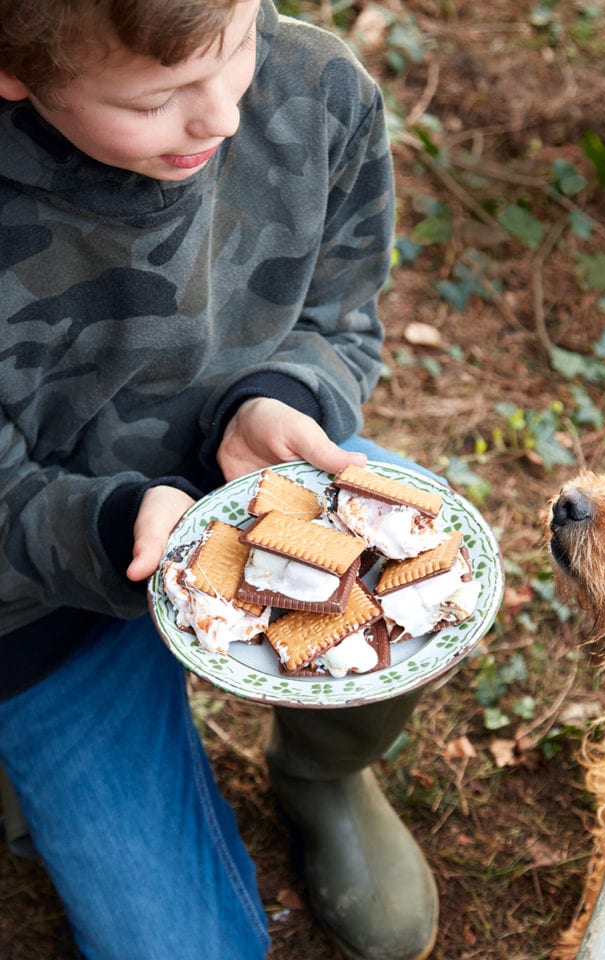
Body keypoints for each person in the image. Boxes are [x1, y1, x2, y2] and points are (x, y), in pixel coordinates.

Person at [0, 2, 440, 958]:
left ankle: (325, 769)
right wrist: (118, 524)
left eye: (237, 47)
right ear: (16, 70)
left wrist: (277, 397)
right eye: (156, 98)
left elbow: (340, 316)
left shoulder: (314, 92)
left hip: (247, 491)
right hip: (42, 610)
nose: (221, 119)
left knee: (419, 558)